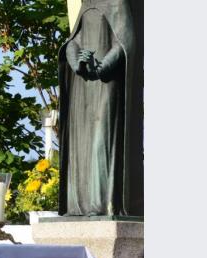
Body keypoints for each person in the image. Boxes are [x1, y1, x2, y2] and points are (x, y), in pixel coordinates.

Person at [58, 0, 143, 217]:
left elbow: (126, 42)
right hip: (83, 84)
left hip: (106, 82)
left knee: (101, 142)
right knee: (82, 143)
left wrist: (104, 66)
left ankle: (101, 202)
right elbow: (73, 41)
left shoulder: (118, 3)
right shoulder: (88, 2)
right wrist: (76, 60)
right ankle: (80, 204)